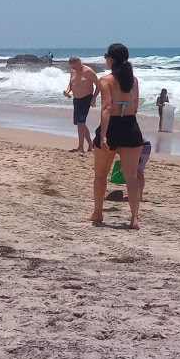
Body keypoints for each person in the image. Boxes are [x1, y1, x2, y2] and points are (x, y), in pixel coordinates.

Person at [91, 43, 144, 229]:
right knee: (131, 176)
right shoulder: (134, 81)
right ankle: (134, 218)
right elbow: (135, 107)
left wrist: (104, 136)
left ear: (111, 59)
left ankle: (98, 212)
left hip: (112, 126)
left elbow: (106, 108)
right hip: (130, 126)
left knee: (100, 175)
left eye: (106, 56)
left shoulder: (105, 80)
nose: (106, 59)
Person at [62, 56, 99, 152]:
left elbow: (99, 85)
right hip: (76, 100)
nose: (73, 69)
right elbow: (71, 83)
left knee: (81, 122)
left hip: (86, 99)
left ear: (79, 63)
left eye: (74, 67)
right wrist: (67, 91)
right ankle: (90, 145)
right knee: (80, 123)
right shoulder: (73, 72)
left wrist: (94, 98)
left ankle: (81, 147)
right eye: (72, 67)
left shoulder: (88, 71)